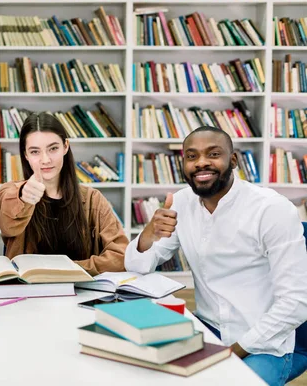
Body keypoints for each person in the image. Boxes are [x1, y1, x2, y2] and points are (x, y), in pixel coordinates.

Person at [124, 126, 307, 386]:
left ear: (233, 160)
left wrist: (234, 352)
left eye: (213, 154)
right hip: (205, 329)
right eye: (191, 156)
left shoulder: (271, 210)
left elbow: (296, 302)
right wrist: (148, 235)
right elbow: (136, 266)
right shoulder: (180, 203)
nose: (201, 163)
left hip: (264, 344)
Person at [0, 112, 128, 276]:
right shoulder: (11, 193)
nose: (45, 159)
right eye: (35, 151)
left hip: (82, 294)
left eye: (53, 149)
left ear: (65, 146)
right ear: (25, 154)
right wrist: (24, 195)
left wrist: (67, 270)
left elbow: (120, 256)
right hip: (29, 296)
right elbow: (8, 223)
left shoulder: (93, 199)